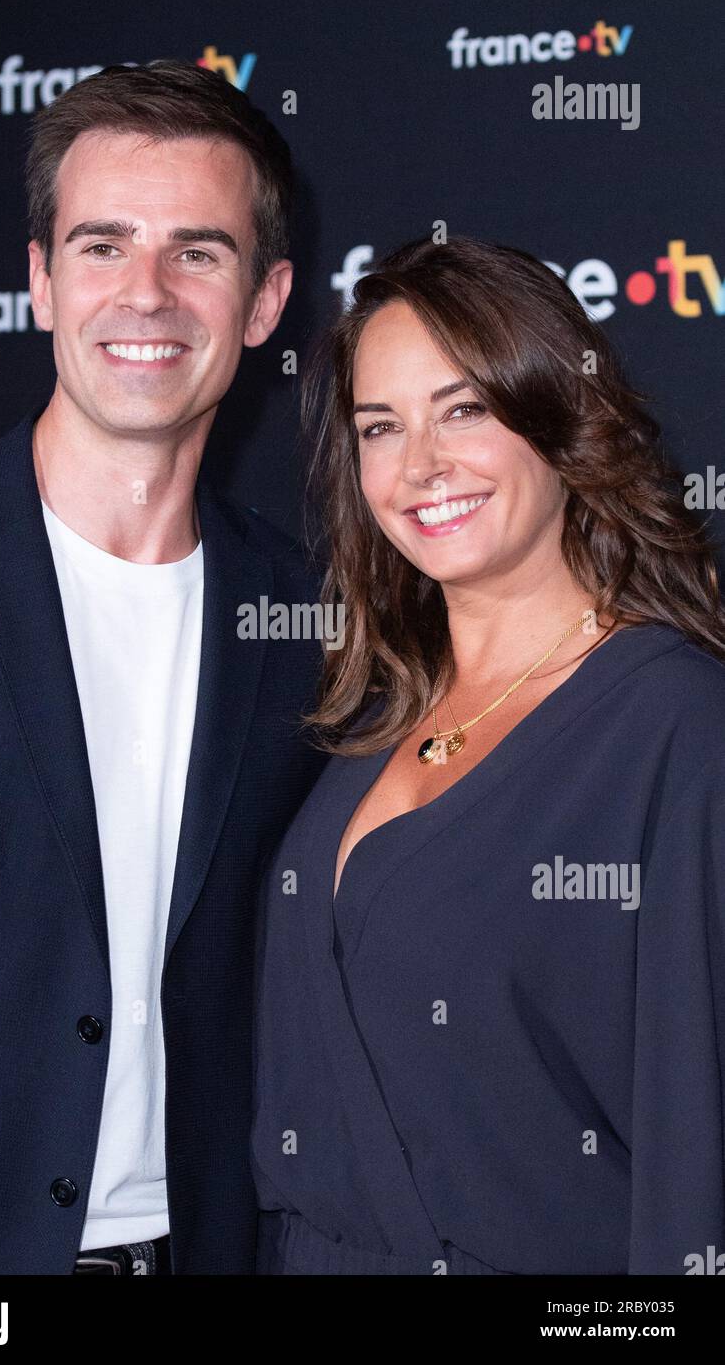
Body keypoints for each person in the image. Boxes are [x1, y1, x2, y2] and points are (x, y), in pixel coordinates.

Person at [0, 61, 328, 1275]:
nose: (146, 295)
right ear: (37, 282)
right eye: (103, 245)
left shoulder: (312, 618)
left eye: (199, 253)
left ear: (267, 300)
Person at [251, 234, 725, 1275]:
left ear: (558, 414)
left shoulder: (678, 730)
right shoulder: (367, 717)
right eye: (382, 426)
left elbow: (699, 1163)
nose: (420, 465)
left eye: (463, 408)